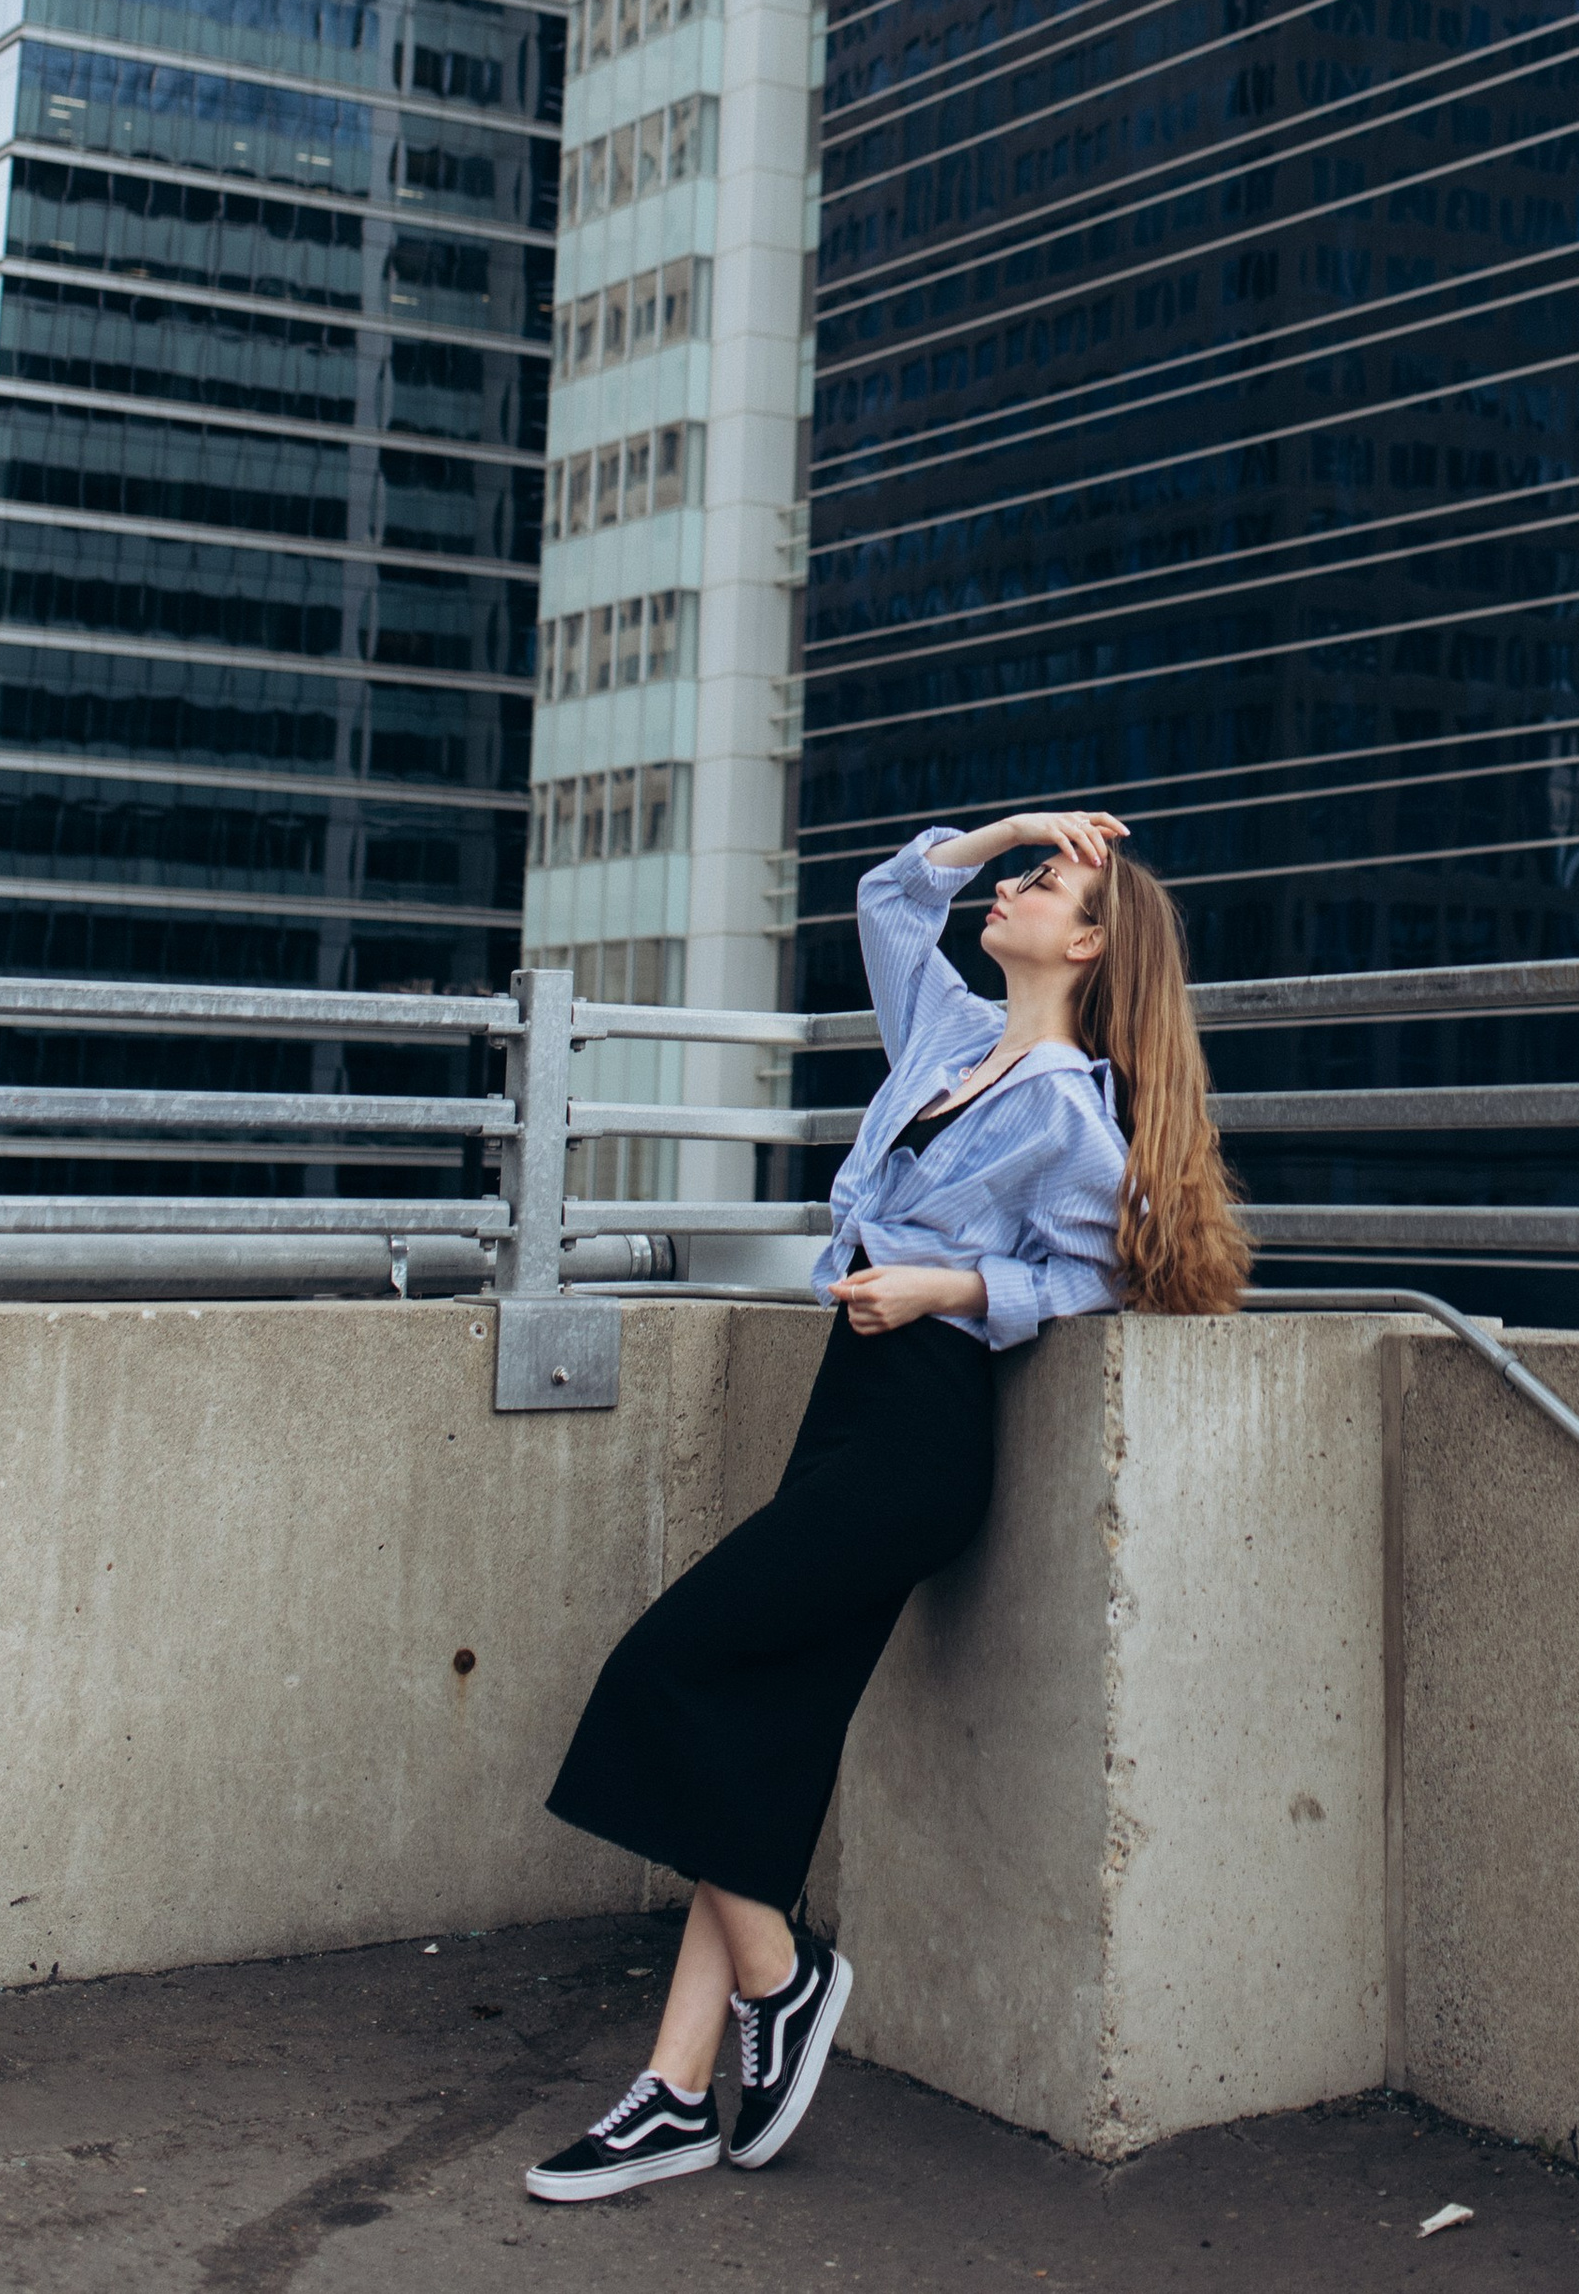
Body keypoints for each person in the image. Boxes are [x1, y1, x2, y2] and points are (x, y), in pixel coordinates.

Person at [521, 806, 1249, 2203]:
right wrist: (1012, 828)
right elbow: (887, 898)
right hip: (843, 1404)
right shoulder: (950, 1035)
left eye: (1049, 883)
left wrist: (951, 1287)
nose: (1024, 887)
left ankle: (785, 1981)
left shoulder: (1067, 1108)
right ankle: (675, 2094)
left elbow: (1126, 1269)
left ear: (1091, 945)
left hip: (922, 1431)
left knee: (665, 1671)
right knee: (761, 1739)